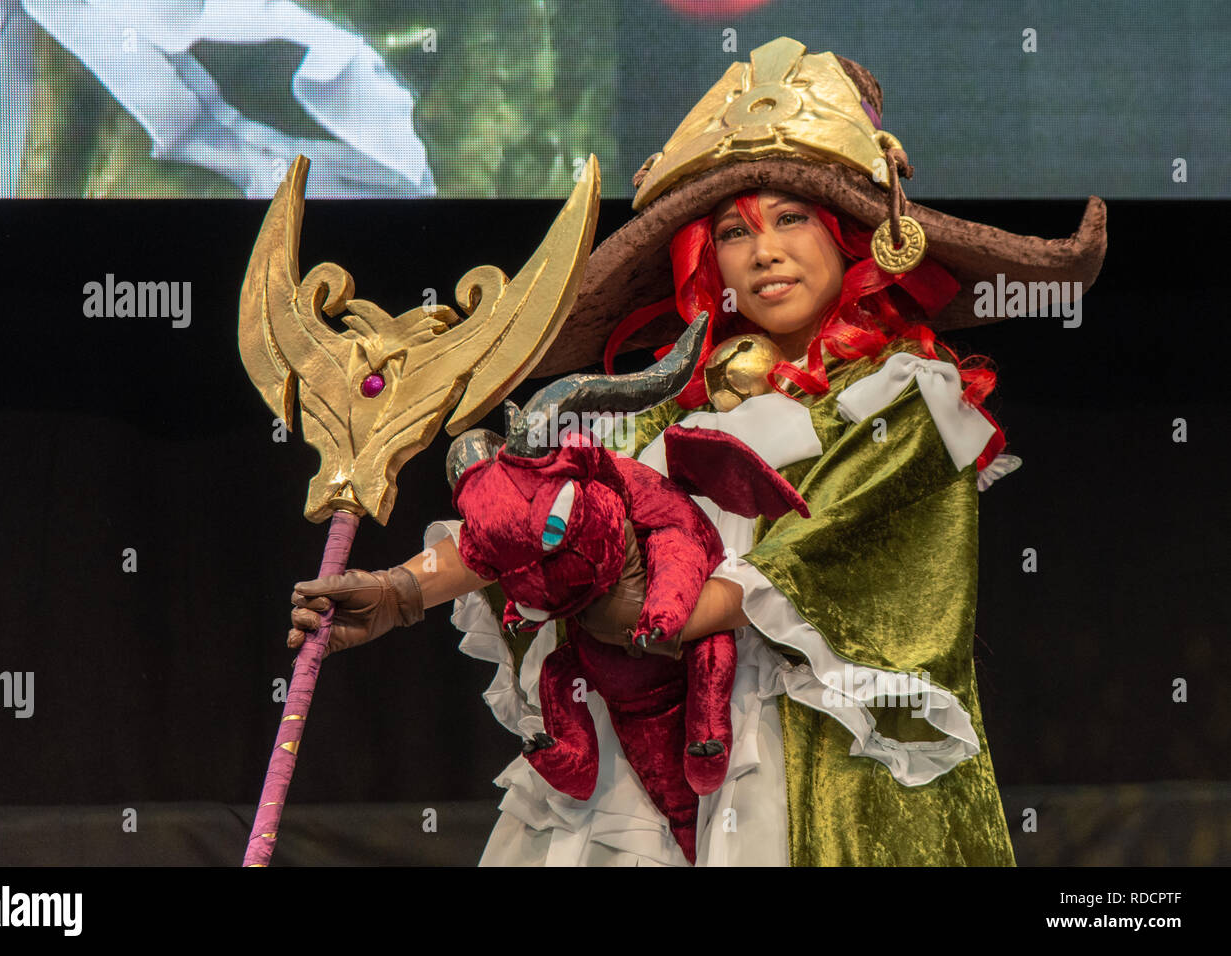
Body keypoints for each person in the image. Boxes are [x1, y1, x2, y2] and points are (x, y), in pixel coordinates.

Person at [286, 36, 1106, 866]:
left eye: (792, 219)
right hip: (647, 751)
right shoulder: (677, 398)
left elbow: (781, 576)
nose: (764, 251)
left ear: (852, 237)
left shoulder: (907, 399)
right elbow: (544, 512)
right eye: (733, 231)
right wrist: (399, 591)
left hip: (805, 756)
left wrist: (625, 608)